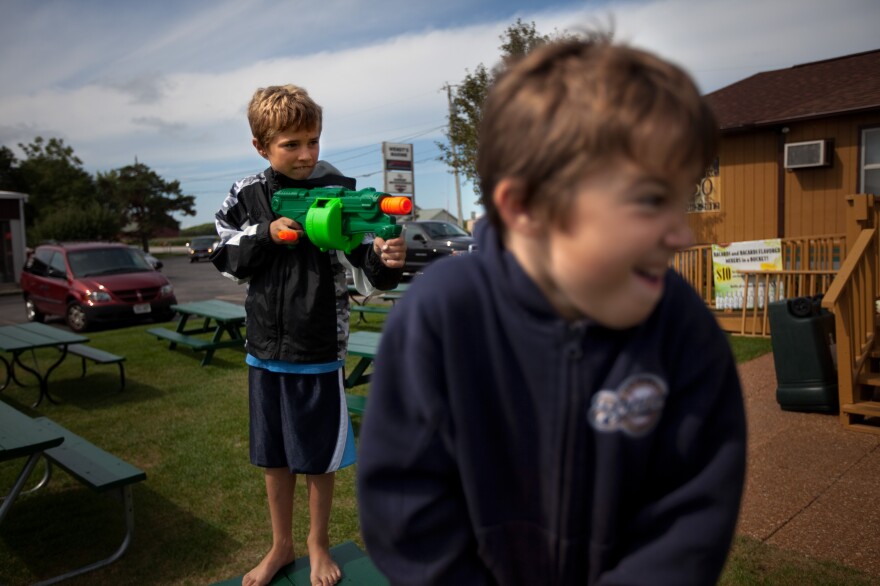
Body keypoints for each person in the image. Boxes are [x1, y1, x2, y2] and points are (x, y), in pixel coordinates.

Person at [357, 36, 747, 585]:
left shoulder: (680, 325)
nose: (681, 234)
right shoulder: (442, 316)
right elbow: (404, 505)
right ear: (527, 208)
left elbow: (693, 511)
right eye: (651, 200)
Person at [211, 84, 406, 586]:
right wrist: (266, 234)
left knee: (318, 458)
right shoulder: (246, 194)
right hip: (263, 351)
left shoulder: (340, 192)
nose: (305, 154)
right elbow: (223, 253)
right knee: (274, 457)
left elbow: (367, 263)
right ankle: (281, 546)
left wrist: (387, 262)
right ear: (261, 145)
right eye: (291, 144)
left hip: (319, 349)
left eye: (313, 141)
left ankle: (317, 545)